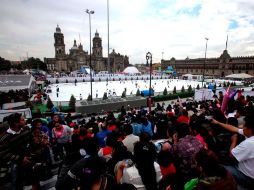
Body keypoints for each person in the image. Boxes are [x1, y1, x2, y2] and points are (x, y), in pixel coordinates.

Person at [211, 116, 254, 189]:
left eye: (244, 125)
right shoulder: (250, 134)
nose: (242, 127)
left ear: (250, 129)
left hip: (247, 177)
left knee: (218, 167)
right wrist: (218, 123)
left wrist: (233, 140)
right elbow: (234, 129)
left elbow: (231, 155)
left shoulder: (249, 143)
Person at [0, 113, 31, 190]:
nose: (25, 121)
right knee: (17, 182)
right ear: (16, 123)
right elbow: (3, 153)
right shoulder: (5, 138)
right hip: (16, 163)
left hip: (28, 159)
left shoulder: (26, 129)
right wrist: (20, 159)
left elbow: (31, 141)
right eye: (22, 120)